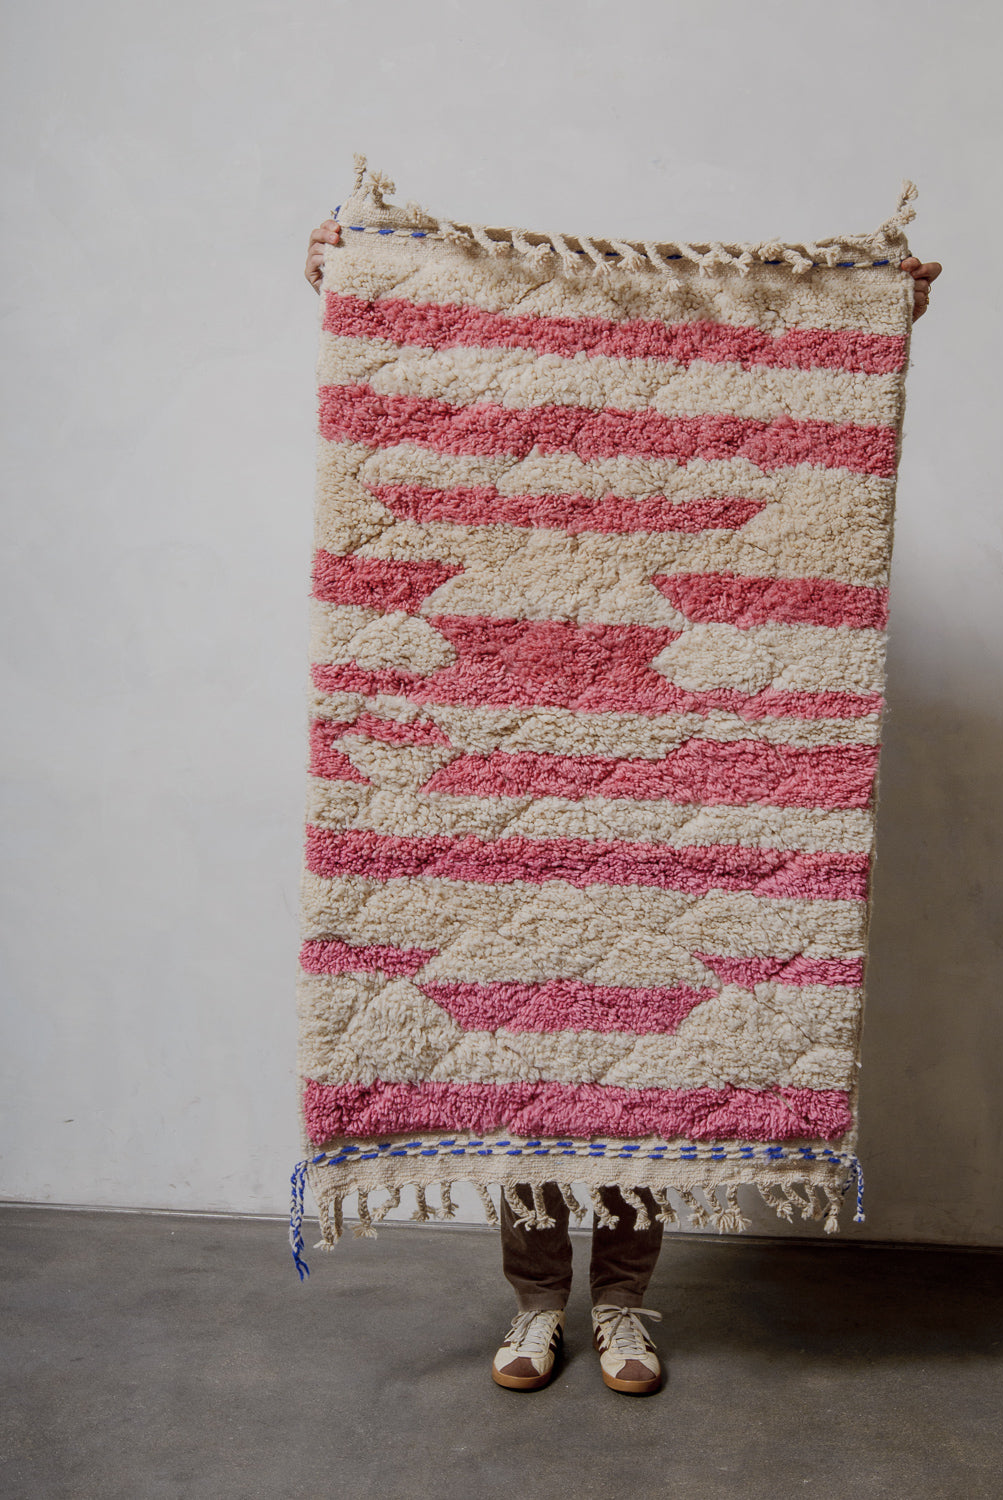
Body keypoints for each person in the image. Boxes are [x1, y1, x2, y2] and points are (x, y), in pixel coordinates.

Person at [304, 219, 941, 1395]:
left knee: (641, 1057)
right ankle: (541, 1306)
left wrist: (876, 306)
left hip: (653, 781)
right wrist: (361, 278)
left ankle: (628, 1310)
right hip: (498, 773)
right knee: (527, 1048)